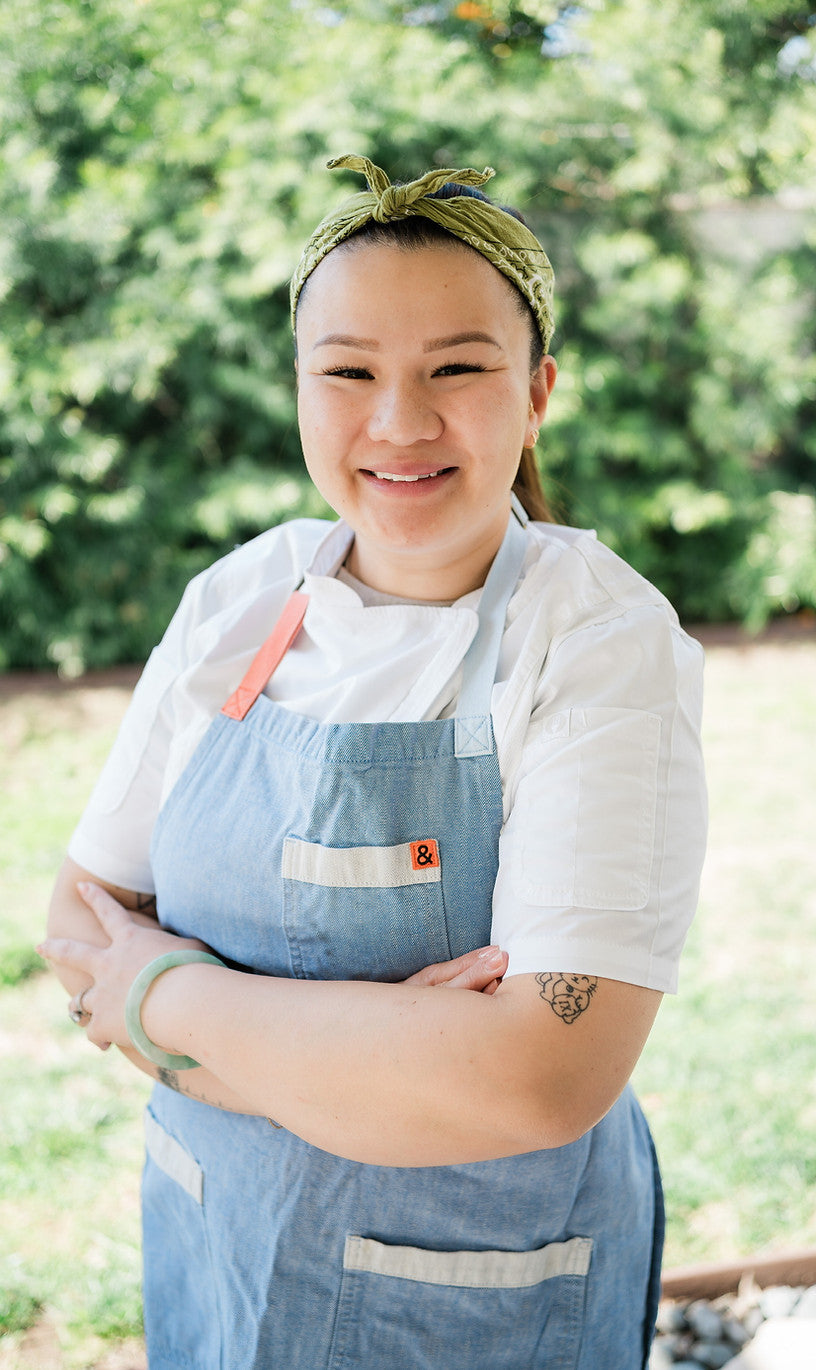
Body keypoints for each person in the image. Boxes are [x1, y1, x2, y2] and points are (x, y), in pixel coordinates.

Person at [40, 153, 707, 1370]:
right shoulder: (240, 599)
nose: (399, 421)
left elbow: (539, 1079)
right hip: (217, 1240)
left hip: (470, 1303)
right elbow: (81, 923)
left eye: (457, 368)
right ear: (298, 385)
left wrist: (166, 994)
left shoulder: (602, 645)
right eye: (348, 371)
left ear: (539, 390)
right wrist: (383, 1058)